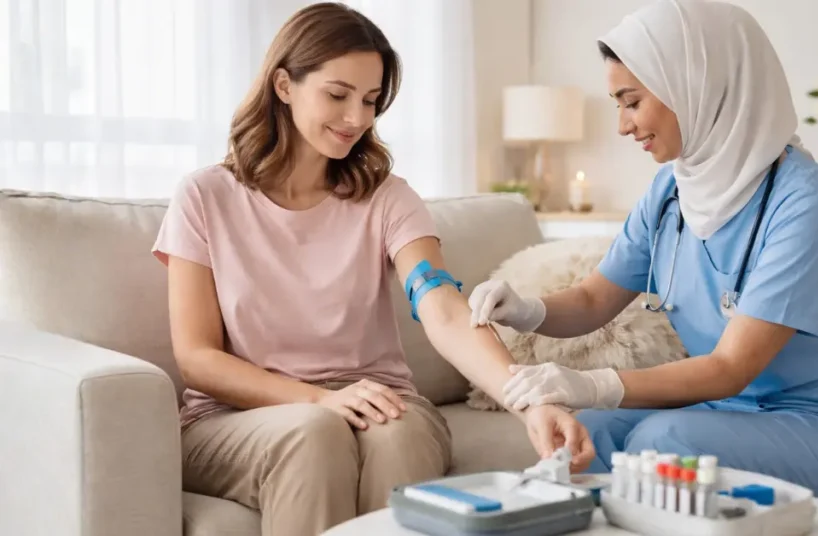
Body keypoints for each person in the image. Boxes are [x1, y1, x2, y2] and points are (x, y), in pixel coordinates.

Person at [152, 3, 593, 535]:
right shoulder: (205, 197)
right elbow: (197, 359)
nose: (357, 118)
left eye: (370, 100)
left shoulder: (389, 199)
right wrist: (320, 399)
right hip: (234, 419)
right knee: (313, 432)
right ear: (285, 85)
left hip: (381, 399)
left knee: (399, 434)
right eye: (338, 95)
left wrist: (529, 403)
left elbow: (445, 313)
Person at [468, 0, 818, 506]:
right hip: (725, 411)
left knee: (664, 445)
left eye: (631, 101)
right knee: (590, 434)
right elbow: (593, 300)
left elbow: (730, 368)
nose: (622, 126)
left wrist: (590, 382)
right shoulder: (672, 191)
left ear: (693, 84)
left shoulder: (809, 205)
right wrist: (528, 311)